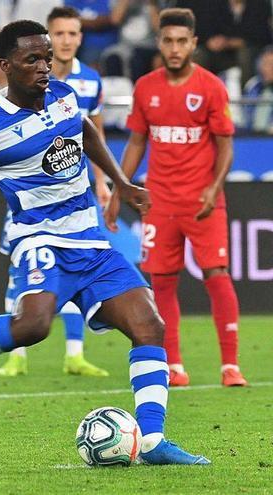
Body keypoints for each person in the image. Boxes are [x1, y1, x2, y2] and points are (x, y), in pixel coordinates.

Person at [0, 20, 210, 465]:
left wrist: (119, 182)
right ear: (4, 66)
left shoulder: (64, 95)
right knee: (33, 326)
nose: (44, 67)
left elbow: (85, 131)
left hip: (90, 240)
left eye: (47, 58)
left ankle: (151, 442)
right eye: (31, 60)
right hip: (39, 239)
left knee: (150, 326)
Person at [105, 8, 248, 388]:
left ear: (193, 44)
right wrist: (121, 186)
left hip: (202, 202)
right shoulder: (146, 88)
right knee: (162, 281)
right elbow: (136, 141)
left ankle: (229, 365)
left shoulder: (211, 87)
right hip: (160, 202)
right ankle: (175, 365)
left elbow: (225, 146)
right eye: (167, 40)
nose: (174, 48)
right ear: (160, 42)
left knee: (216, 275)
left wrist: (213, 188)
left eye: (181, 41)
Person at [0, 6, 115, 379]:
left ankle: (74, 354)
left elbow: (93, 133)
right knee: (20, 269)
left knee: (75, 266)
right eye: (59, 34)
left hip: (74, 192)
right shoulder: (23, 80)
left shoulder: (89, 81)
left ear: (80, 37)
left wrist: (103, 180)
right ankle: (17, 355)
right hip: (31, 197)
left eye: (72, 34)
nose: (65, 41)